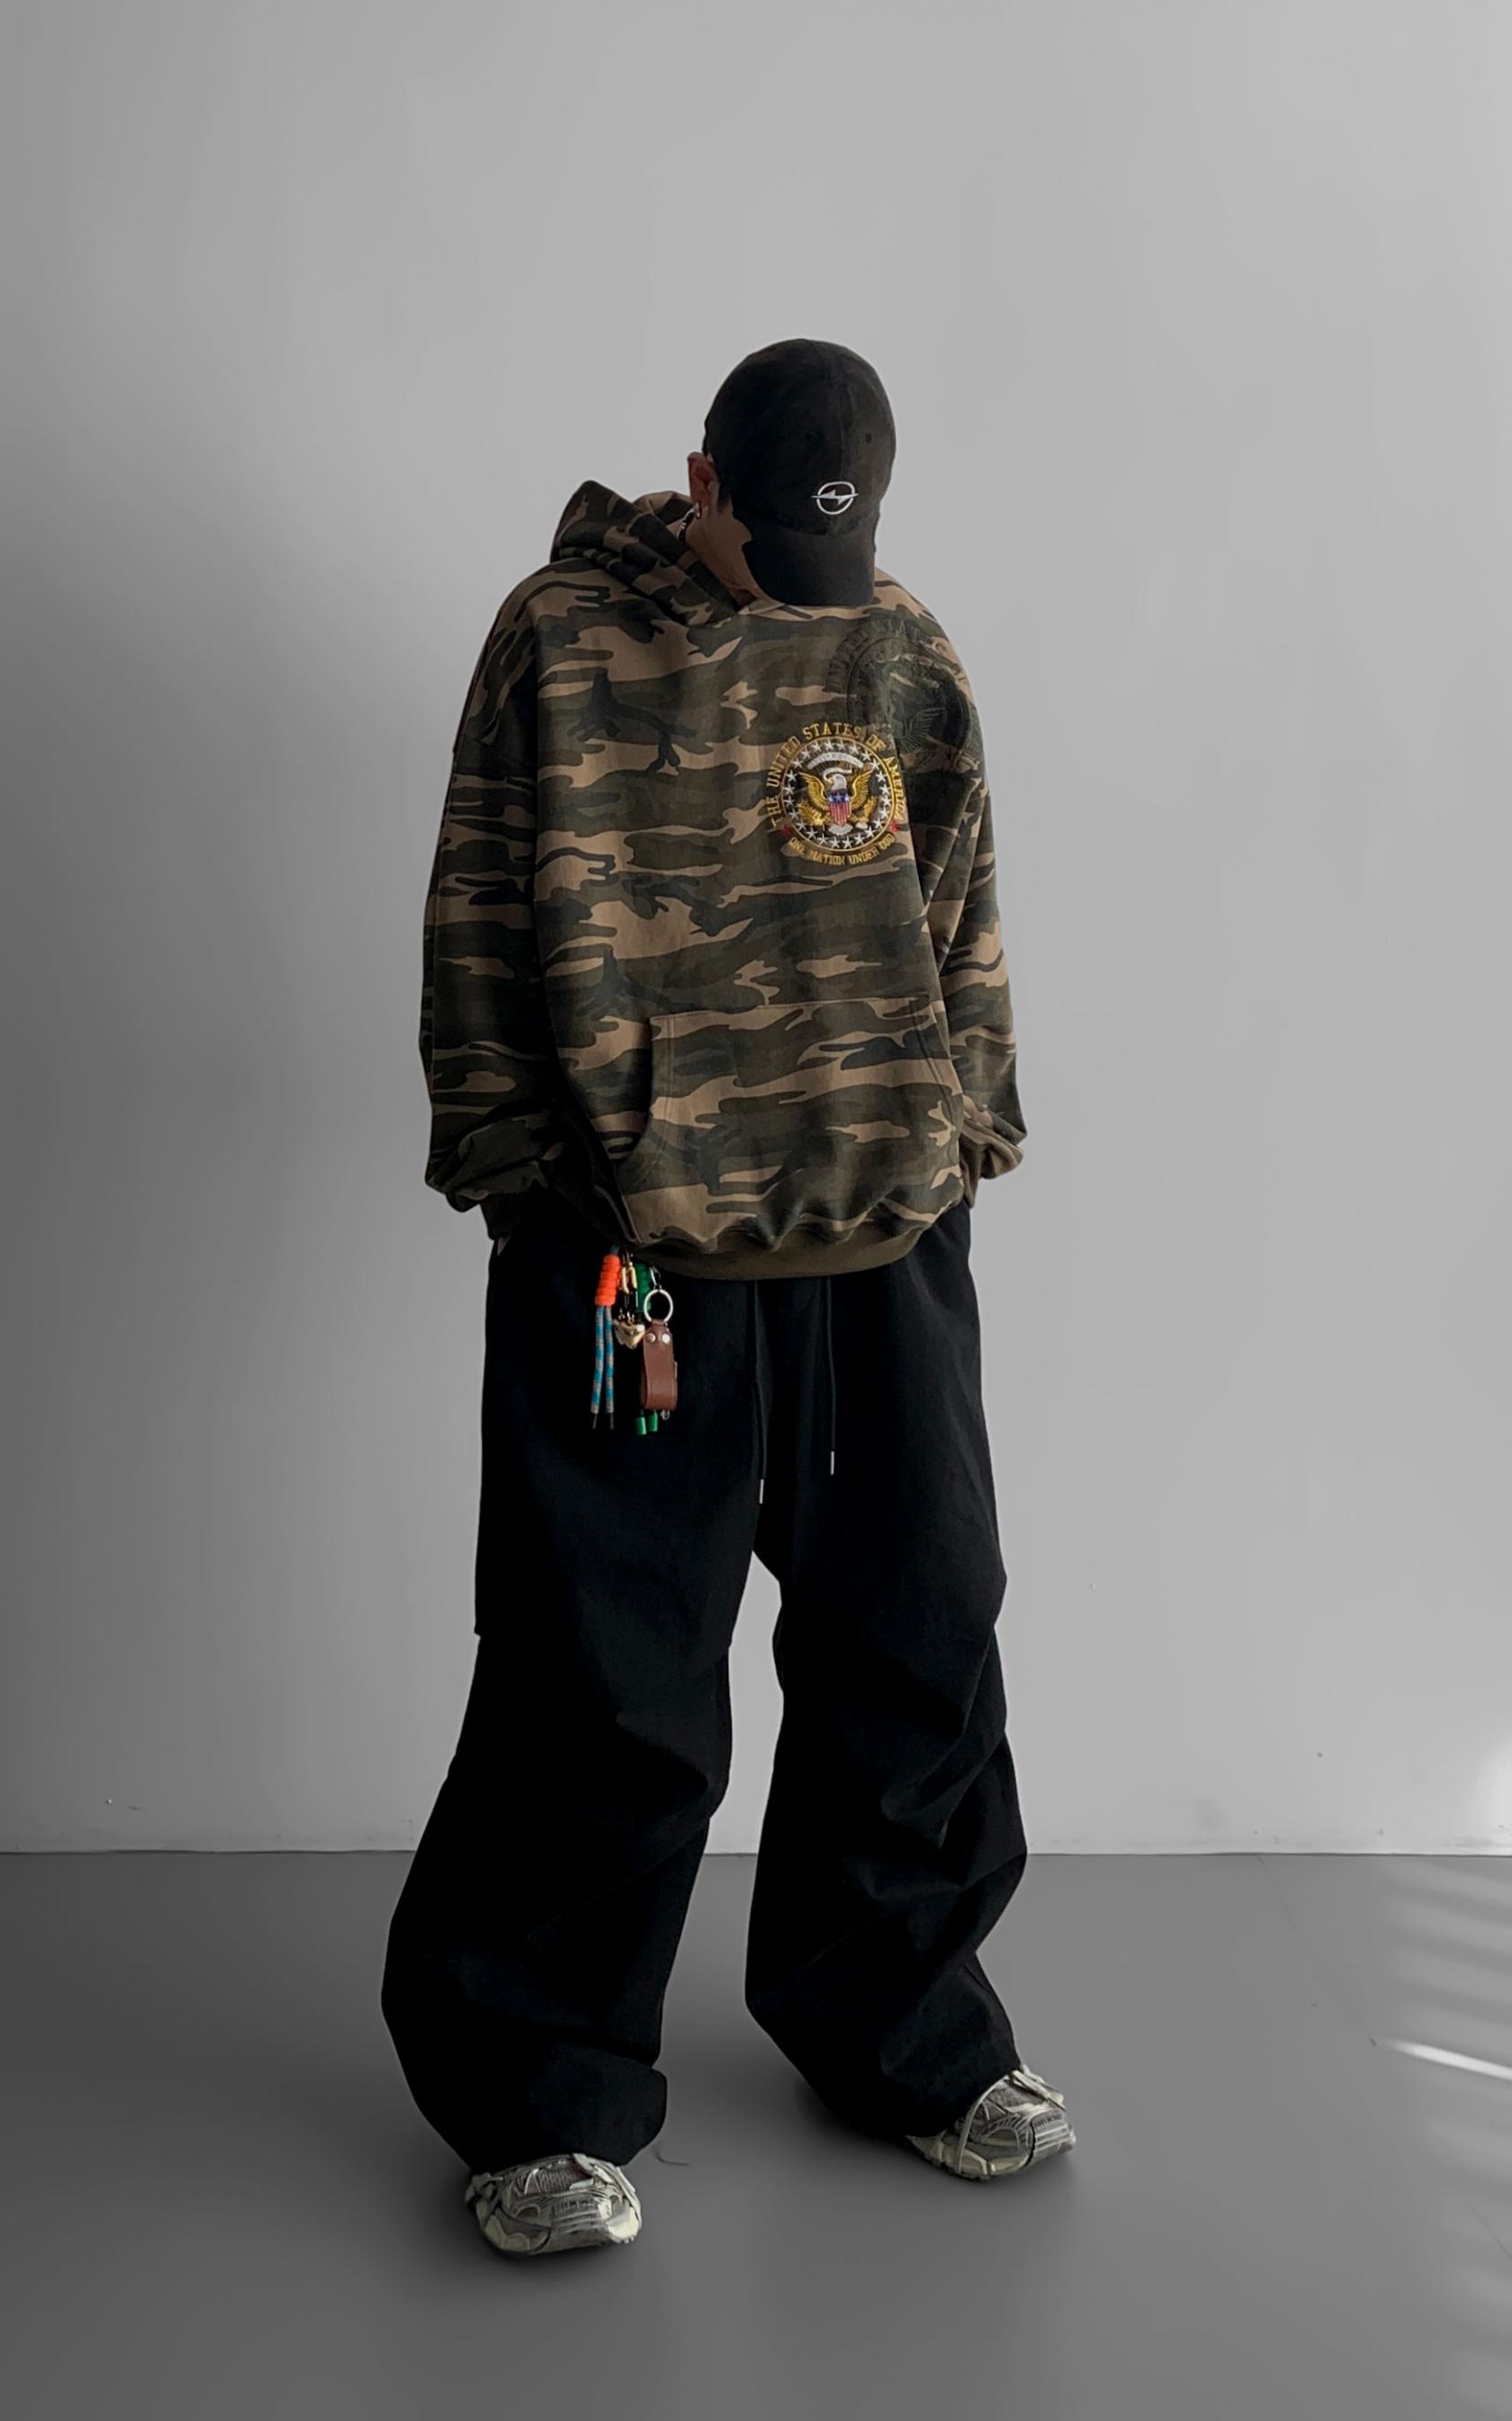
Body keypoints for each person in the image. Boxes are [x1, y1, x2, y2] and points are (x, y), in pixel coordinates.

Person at [382, 337, 1073, 2259]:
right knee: (606, 1674)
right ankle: (538, 2092)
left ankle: (902, 2029)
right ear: (703, 481)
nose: (809, 580)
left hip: (880, 1245)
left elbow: (963, 909)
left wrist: (966, 1144)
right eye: (777, 542)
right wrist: (521, 1184)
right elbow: (477, 914)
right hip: (635, 1256)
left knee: (919, 1634)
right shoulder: (555, 643)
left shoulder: (898, 645)